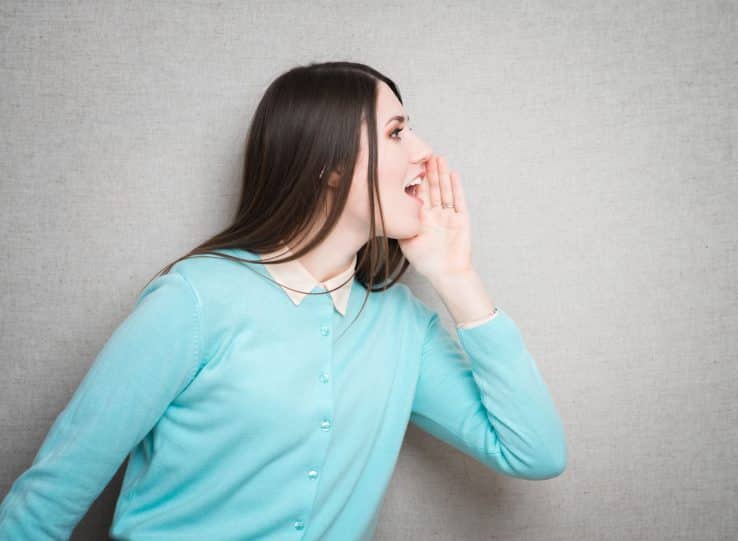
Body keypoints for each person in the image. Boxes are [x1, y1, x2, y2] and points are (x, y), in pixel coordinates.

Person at [0, 61, 567, 540]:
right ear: (329, 164)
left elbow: (534, 452)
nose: (424, 153)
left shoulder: (401, 328)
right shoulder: (194, 301)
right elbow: (46, 501)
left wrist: (457, 277)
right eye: (397, 132)